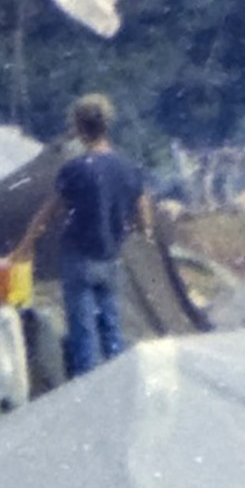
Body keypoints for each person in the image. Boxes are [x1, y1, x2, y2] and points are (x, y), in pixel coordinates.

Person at [51, 93, 152, 380]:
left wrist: (23, 247)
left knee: (84, 336)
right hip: (110, 257)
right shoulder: (128, 168)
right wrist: (140, 230)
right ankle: (119, 388)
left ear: (79, 128)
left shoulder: (74, 169)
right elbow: (143, 208)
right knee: (111, 329)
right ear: (107, 125)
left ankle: (90, 397)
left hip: (79, 259)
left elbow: (49, 212)